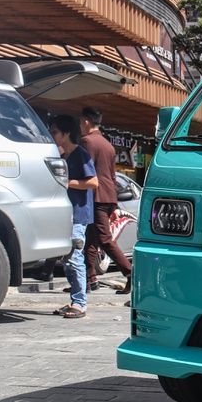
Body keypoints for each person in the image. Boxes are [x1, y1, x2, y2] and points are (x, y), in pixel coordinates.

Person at [48, 115, 98, 319]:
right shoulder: (62, 157)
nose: (52, 136)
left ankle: (80, 303)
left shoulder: (79, 154)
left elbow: (93, 182)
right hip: (65, 214)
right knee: (67, 259)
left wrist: (67, 182)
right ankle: (75, 299)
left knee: (75, 258)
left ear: (66, 133)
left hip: (78, 214)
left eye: (55, 132)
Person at [80, 106, 133, 295]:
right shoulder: (107, 144)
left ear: (86, 122)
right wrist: (114, 204)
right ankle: (89, 278)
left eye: (81, 122)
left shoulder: (87, 142)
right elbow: (112, 175)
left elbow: (85, 169)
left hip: (96, 197)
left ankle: (130, 274)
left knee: (104, 239)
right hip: (109, 196)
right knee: (92, 239)